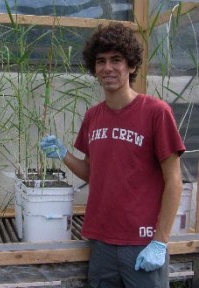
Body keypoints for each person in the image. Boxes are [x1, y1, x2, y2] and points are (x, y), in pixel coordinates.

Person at [40, 23, 185, 288]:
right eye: (101, 61)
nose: (108, 68)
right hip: (102, 243)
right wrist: (63, 154)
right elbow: (91, 172)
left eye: (116, 60)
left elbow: (174, 181)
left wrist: (160, 241)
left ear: (130, 66)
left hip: (141, 243)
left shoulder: (156, 112)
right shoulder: (93, 116)